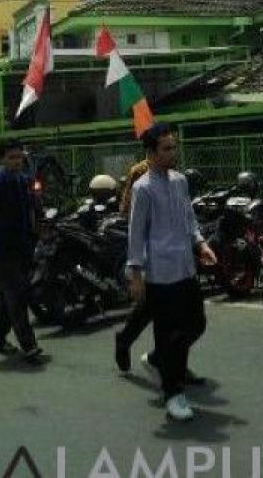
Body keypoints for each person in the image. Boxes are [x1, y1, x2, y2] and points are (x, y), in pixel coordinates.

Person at [126, 123, 217, 422]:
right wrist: (136, 274)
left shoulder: (180, 181)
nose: (172, 152)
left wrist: (201, 243)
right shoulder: (143, 188)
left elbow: (189, 218)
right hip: (160, 272)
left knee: (196, 323)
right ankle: (173, 394)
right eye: (166, 148)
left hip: (185, 267)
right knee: (167, 333)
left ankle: (156, 360)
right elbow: (136, 234)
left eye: (173, 146)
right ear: (150, 153)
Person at [0, 141, 43, 362]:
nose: (17, 161)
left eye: (19, 157)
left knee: (8, 295)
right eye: (12, 157)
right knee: (18, 295)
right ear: (2, 159)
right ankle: (28, 344)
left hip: (23, 246)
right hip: (1, 249)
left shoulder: (25, 182)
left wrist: (38, 237)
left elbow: (33, 212)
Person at [113, 157, 153, 372]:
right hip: (150, 245)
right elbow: (128, 208)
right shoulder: (140, 173)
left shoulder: (175, 175)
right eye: (166, 147)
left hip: (171, 249)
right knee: (152, 304)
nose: (172, 151)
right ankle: (125, 338)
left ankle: (172, 361)